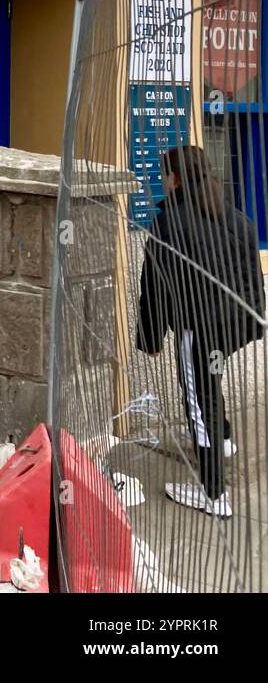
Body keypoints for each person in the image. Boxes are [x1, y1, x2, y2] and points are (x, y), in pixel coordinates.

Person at [138, 144, 265, 518]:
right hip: (238, 322)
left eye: (165, 177)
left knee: (198, 399)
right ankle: (223, 440)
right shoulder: (234, 216)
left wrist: (151, 337)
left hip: (202, 324)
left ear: (174, 179)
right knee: (212, 377)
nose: (163, 183)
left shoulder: (169, 224)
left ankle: (213, 494)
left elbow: (155, 286)